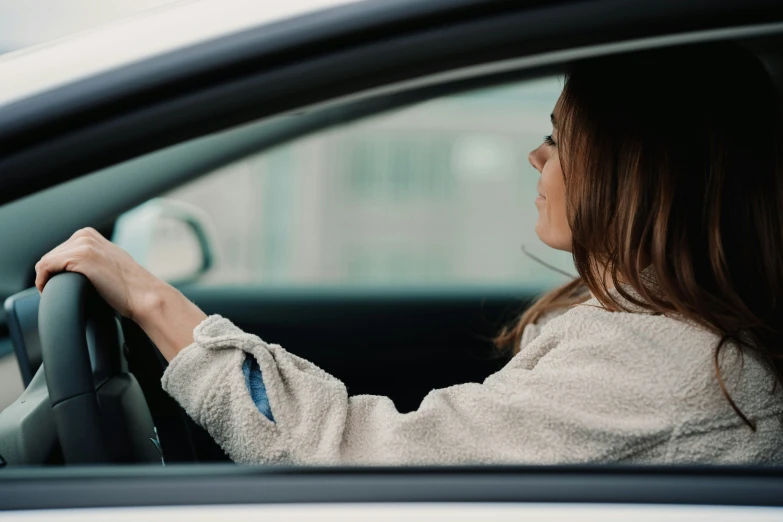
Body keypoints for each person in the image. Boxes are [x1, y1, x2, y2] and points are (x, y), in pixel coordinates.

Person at [35, 43, 783, 465]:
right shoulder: (667, 338)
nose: (536, 157)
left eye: (557, 138)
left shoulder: (666, 364)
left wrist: (151, 301)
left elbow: (349, 459)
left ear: (632, 169)